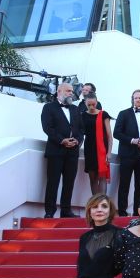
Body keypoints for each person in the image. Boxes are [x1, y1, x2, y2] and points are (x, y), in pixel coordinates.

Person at [42, 82, 83, 218]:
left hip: (72, 152)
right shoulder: (49, 107)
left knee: (69, 182)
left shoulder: (75, 109)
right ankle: (49, 212)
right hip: (56, 151)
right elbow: (48, 128)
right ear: (59, 91)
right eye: (68, 91)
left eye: (71, 91)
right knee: (53, 181)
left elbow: (81, 129)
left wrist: (77, 140)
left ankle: (66, 211)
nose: (71, 93)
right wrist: (62, 140)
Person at [114, 90, 140, 216]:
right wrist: (132, 140)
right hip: (127, 154)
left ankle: (137, 212)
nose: (138, 100)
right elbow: (116, 133)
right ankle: (122, 212)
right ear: (132, 99)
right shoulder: (123, 114)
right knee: (124, 185)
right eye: (136, 98)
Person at [80, 93, 111, 195]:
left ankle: (102, 203)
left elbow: (110, 136)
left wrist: (109, 153)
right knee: (93, 178)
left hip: (102, 149)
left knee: (102, 177)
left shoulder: (104, 114)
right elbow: (80, 134)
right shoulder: (83, 116)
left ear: (97, 102)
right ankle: (95, 204)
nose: (91, 107)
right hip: (89, 148)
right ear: (85, 103)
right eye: (89, 105)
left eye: (93, 104)